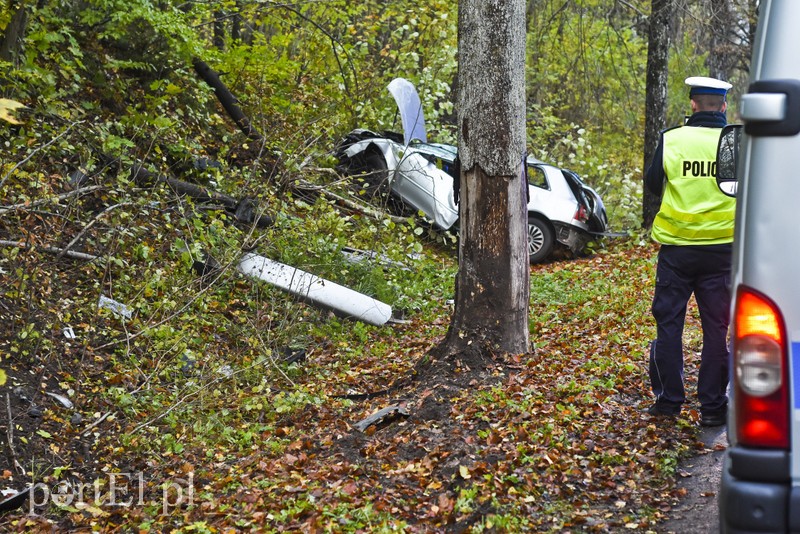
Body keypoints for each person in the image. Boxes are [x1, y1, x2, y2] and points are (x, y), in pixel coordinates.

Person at [644, 76, 737, 427]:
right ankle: (713, 408)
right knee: (717, 329)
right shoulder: (735, 144)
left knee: (669, 326)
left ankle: (669, 403)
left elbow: (654, 184)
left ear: (693, 104)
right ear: (723, 106)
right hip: (722, 252)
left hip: (677, 250)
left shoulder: (672, 139)